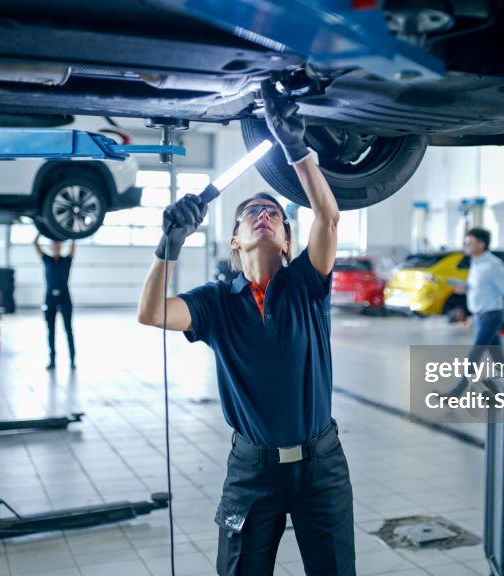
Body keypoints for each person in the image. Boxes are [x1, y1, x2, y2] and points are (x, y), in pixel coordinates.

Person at [137, 81, 353, 575]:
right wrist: (168, 246)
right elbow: (152, 312)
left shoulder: (306, 283)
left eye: (274, 213)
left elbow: (328, 216)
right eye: (251, 212)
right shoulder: (216, 302)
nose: (263, 215)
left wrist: (297, 149)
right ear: (235, 240)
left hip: (322, 467)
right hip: (252, 470)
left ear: (287, 240)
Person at [447, 228, 504, 396]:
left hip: (490, 317)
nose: (466, 245)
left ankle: (455, 394)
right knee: (498, 358)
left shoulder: (492, 265)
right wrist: (466, 288)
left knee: (474, 355)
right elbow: (482, 287)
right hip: (480, 317)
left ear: (481, 244)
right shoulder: (476, 263)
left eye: (469, 242)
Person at [34, 233, 76, 370]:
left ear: (61, 246)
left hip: (64, 296)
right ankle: (52, 360)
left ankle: (72, 360)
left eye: (58, 244)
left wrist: (71, 233)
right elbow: (35, 244)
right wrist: (41, 231)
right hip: (50, 297)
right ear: (51, 247)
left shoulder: (66, 260)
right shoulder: (47, 259)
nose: (56, 246)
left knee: (68, 329)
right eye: (54, 244)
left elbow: (73, 245)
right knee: (50, 330)